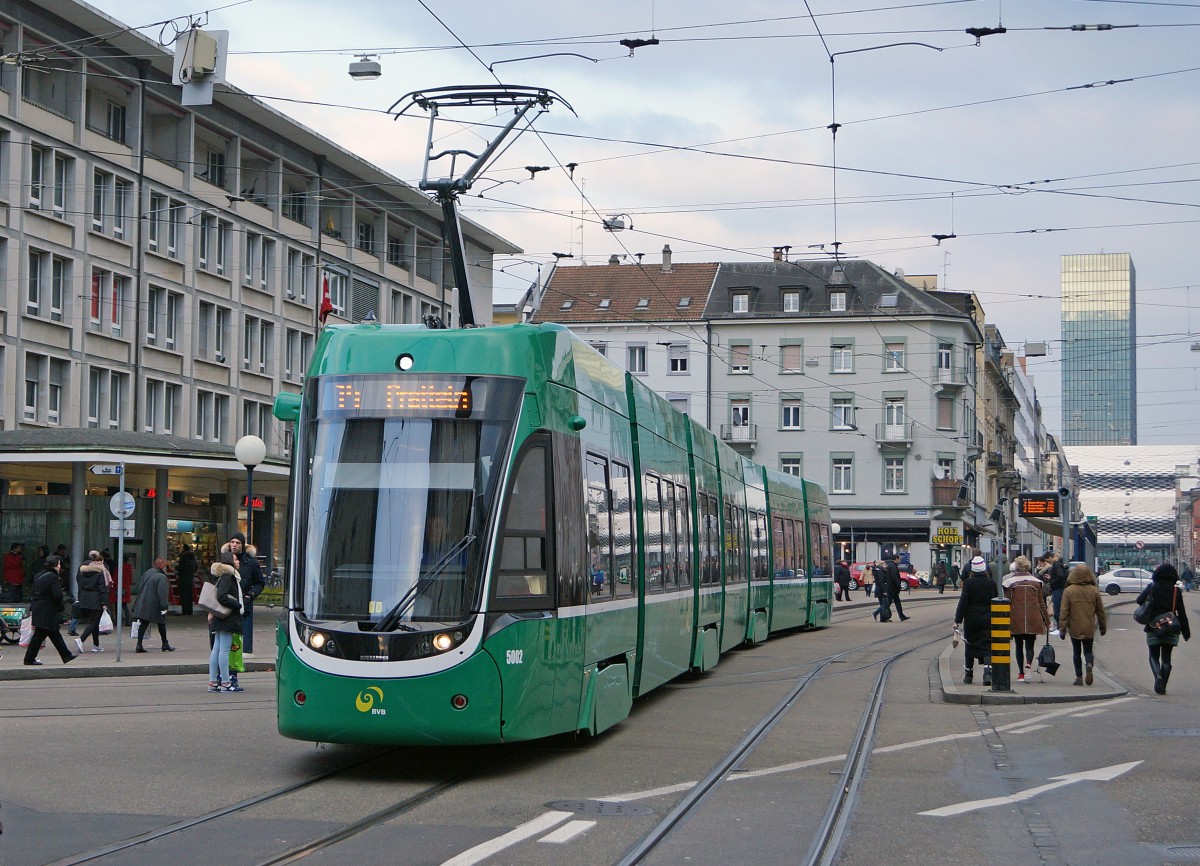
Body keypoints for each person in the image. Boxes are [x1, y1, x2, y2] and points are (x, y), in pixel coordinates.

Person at [1135, 563, 1191, 695]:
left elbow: (1139, 600)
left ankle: (1158, 677)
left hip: (1153, 626)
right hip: (1171, 627)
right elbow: (1182, 613)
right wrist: (1185, 632)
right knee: (1167, 659)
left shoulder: (1152, 587)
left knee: (1153, 655)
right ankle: (1163, 684)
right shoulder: (1176, 591)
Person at [22, 556, 78, 666]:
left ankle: (66, 655)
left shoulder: (39, 574)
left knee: (52, 632)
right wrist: (61, 606)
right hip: (47, 609)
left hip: (38, 607)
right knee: (43, 634)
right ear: (55, 565)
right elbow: (57, 595)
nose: (60, 566)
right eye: (59, 564)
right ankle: (29, 659)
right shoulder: (53, 577)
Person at [1002, 555, 1051, 682]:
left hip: (1016, 618)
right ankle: (1029, 665)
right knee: (1030, 645)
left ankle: (1021, 673)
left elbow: (1007, 602)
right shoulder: (1036, 583)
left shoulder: (1010, 583)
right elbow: (1041, 604)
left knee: (1018, 646)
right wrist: (1047, 621)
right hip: (1032, 618)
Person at [1058, 563, 1107, 687]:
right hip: (1089, 625)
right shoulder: (1094, 590)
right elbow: (1100, 611)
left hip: (1074, 625)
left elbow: (1064, 611)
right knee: (1088, 651)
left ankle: (1078, 677)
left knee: (1076, 652)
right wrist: (1102, 626)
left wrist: (1062, 628)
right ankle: (1089, 664)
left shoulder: (1068, 591)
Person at [207, 550, 244, 692]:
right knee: (224, 650)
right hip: (227, 618)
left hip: (220, 617)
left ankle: (213, 682)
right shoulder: (229, 576)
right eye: (235, 559)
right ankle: (226, 682)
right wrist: (237, 605)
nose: (238, 561)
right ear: (230, 561)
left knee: (217, 649)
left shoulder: (223, 576)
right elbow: (222, 596)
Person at [954, 555, 995, 685]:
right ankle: (987, 673)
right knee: (988, 645)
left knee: (970, 645)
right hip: (988, 617)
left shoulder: (968, 583)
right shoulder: (991, 583)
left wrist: (957, 620)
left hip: (971, 619)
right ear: (984, 569)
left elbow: (963, 602)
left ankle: (969, 675)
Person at [225, 532, 265, 656]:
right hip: (226, 603)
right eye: (232, 542)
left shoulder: (251, 563)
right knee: (224, 638)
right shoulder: (224, 560)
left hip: (243, 604)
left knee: (239, 635)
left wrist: (250, 595)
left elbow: (260, 583)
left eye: (238, 543)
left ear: (242, 545)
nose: (234, 545)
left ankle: (239, 658)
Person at [132, 557, 175, 653]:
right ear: (161, 565)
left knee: (143, 623)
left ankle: (139, 644)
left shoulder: (147, 573)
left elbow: (140, 587)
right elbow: (162, 593)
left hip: (143, 602)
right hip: (155, 604)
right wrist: (164, 606)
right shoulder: (161, 577)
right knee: (161, 623)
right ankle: (165, 644)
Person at [74, 550, 110, 653]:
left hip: (85, 597)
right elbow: (102, 588)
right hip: (96, 599)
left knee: (95, 622)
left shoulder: (83, 570)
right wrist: (104, 602)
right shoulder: (101, 571)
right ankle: (81, 640)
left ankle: (96, 644)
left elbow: (79, 583)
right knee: (93, 622)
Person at [1045, 551, 1069, 627]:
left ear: (1051, 557)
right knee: (1060, 607)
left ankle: (1060, 626)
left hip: (1057, 588)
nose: (1047, 562)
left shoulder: (1056, 565)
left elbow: (1060, 576)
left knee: (1057, 608)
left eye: (1047, 559)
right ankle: (1061, 626)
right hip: (1061, 588)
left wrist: (1051, 581)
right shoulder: (1061, 565)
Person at [885, 554, 910, 621]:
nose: (900, 560)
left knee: (897, 602)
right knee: (888, 603)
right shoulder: (893, 566)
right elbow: (894, 577)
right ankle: (880, 614)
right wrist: (898, 585)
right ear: (896, 559)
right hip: (892, 588)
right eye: (899, 559)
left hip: (892, 587)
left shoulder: (890, 565)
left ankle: (901, 616)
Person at [176, 545, 198, 615]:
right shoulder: (193, 557)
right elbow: (196, 567)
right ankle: (189, 610)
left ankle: (184, 610)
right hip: (190, 578)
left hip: (183, 578)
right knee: (189, 595)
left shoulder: (183, 557)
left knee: (183, 595)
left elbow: (181, 567)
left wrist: (176, 567)